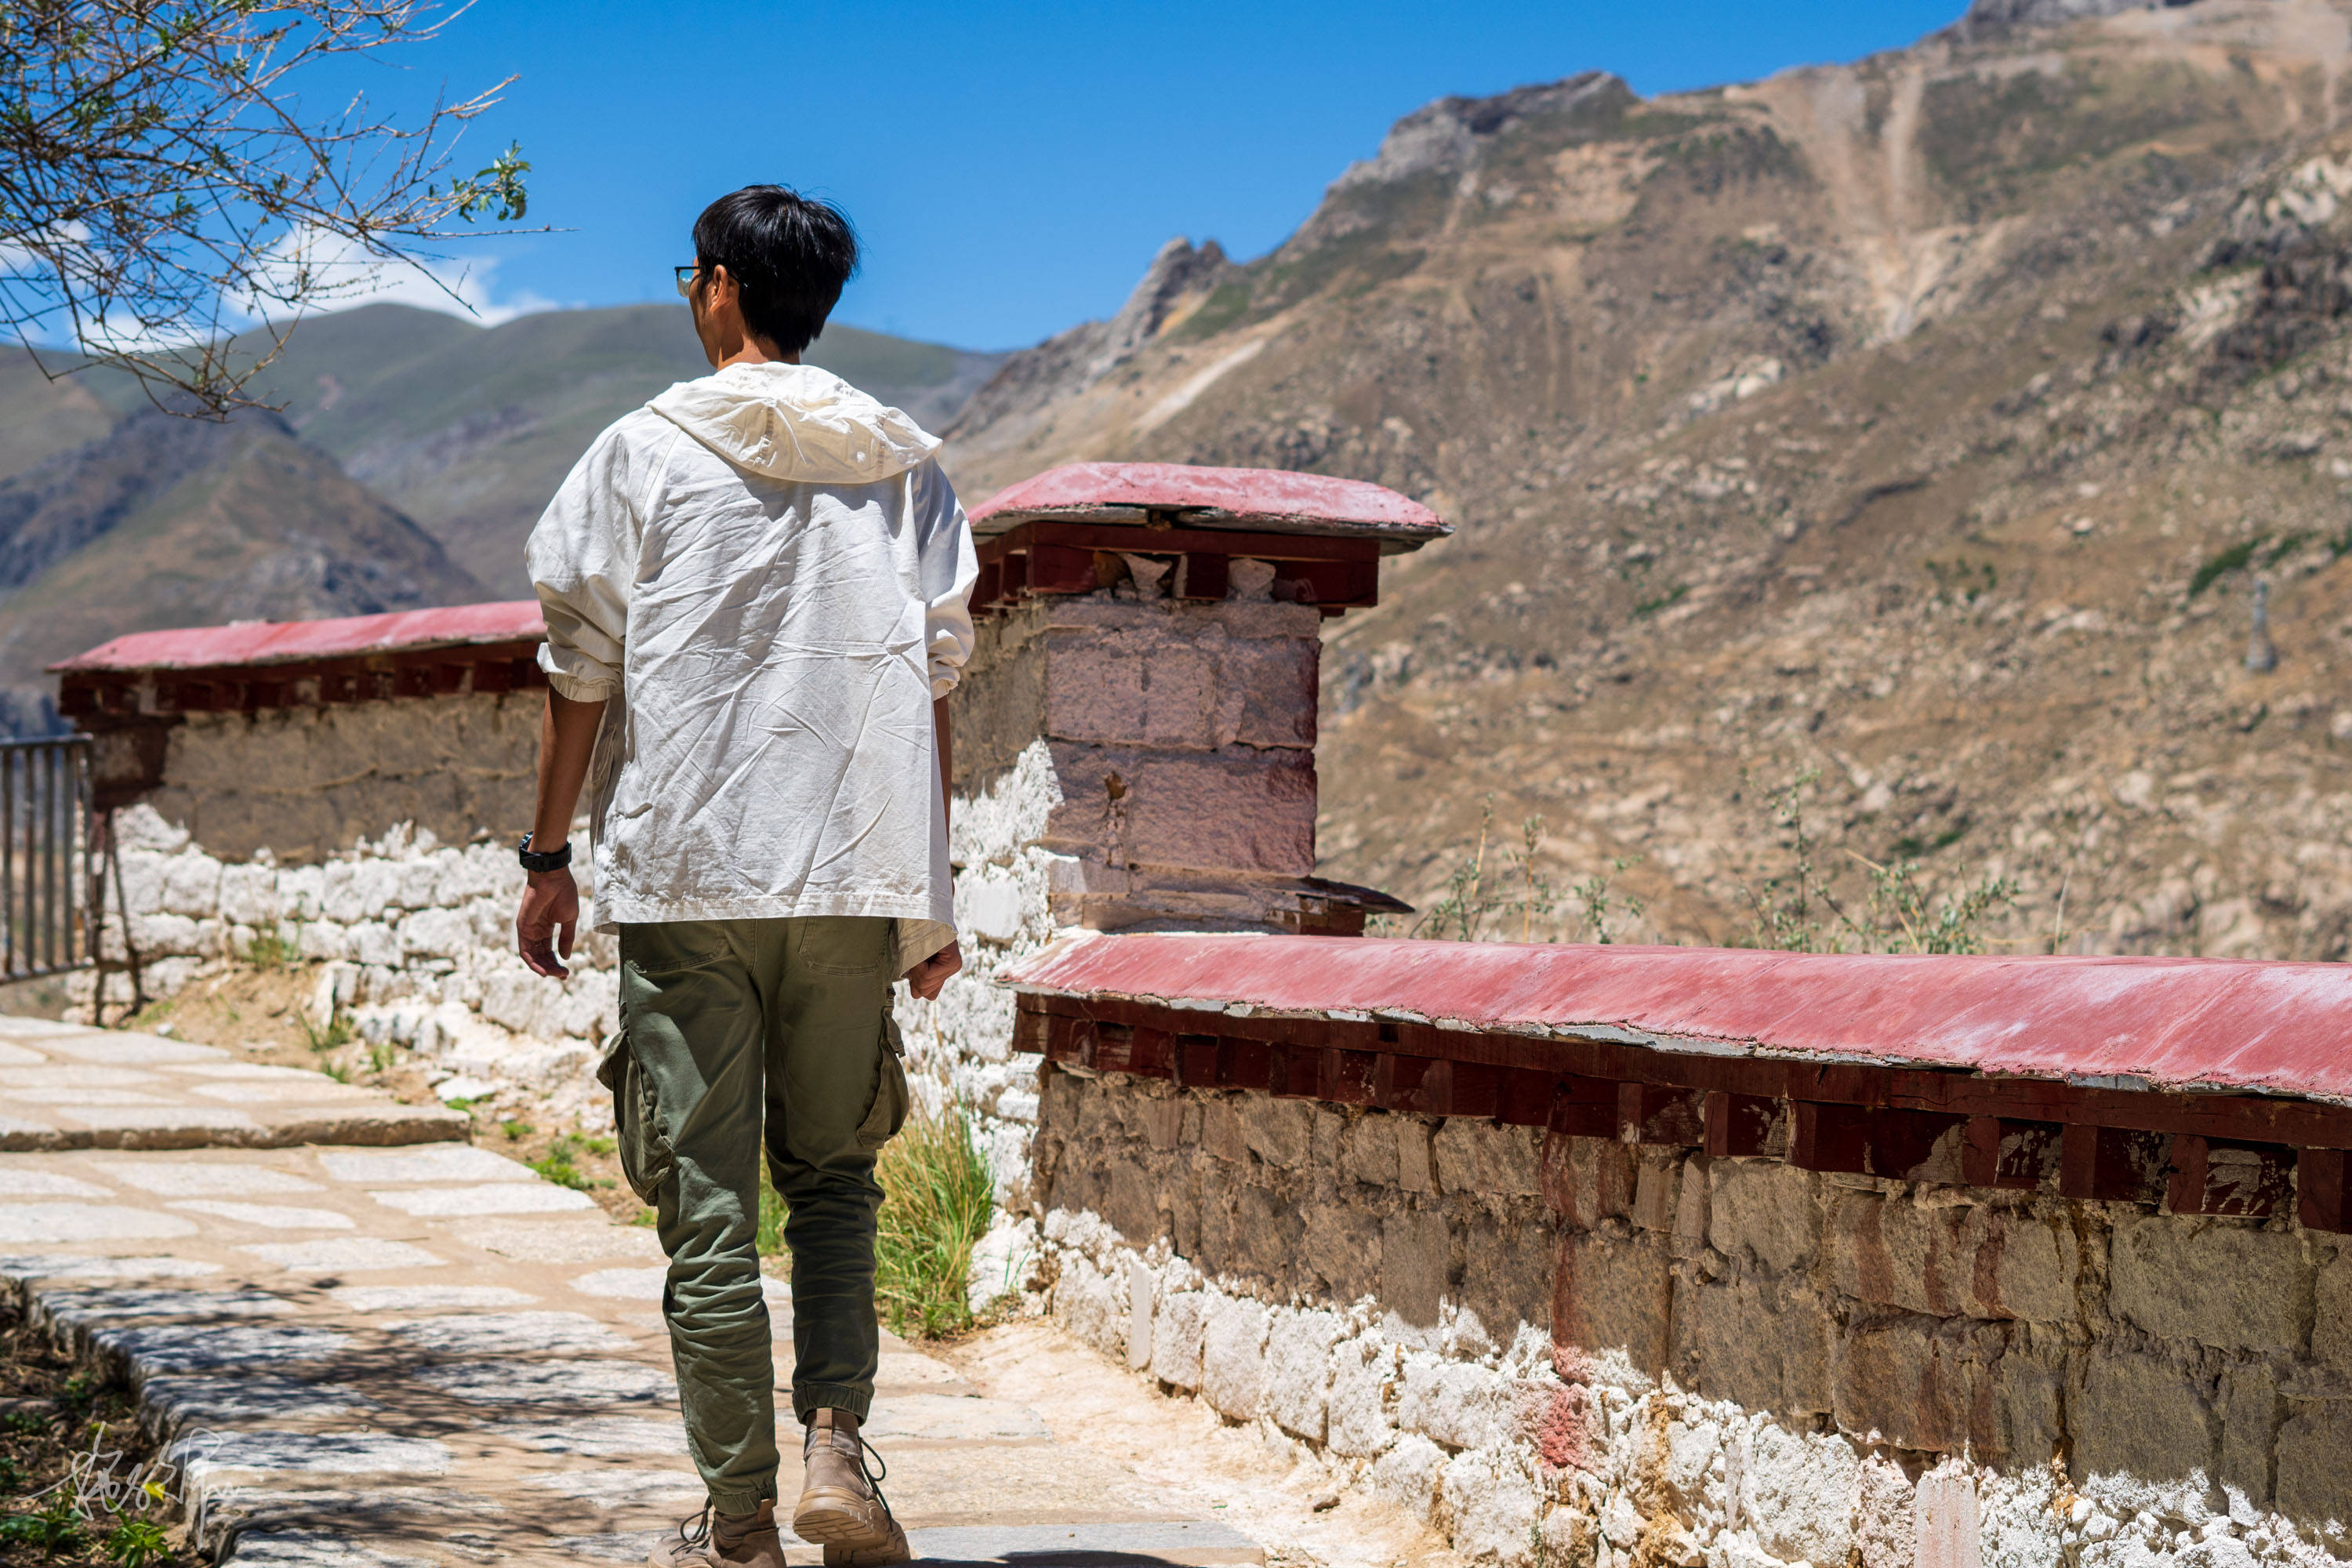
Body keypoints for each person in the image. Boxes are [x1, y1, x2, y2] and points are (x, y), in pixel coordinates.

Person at [515, 183, 975, 1568]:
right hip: (850, 871)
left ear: (715, 287)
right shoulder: (905, 465)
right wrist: (931, 893)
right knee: (835, 1180)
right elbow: (939, 683)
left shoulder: (639, 455)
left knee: (706, 1211)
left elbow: (577, 674)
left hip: (689, 870)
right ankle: (838, 1448)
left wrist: (549, 858)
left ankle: (735, 1525)